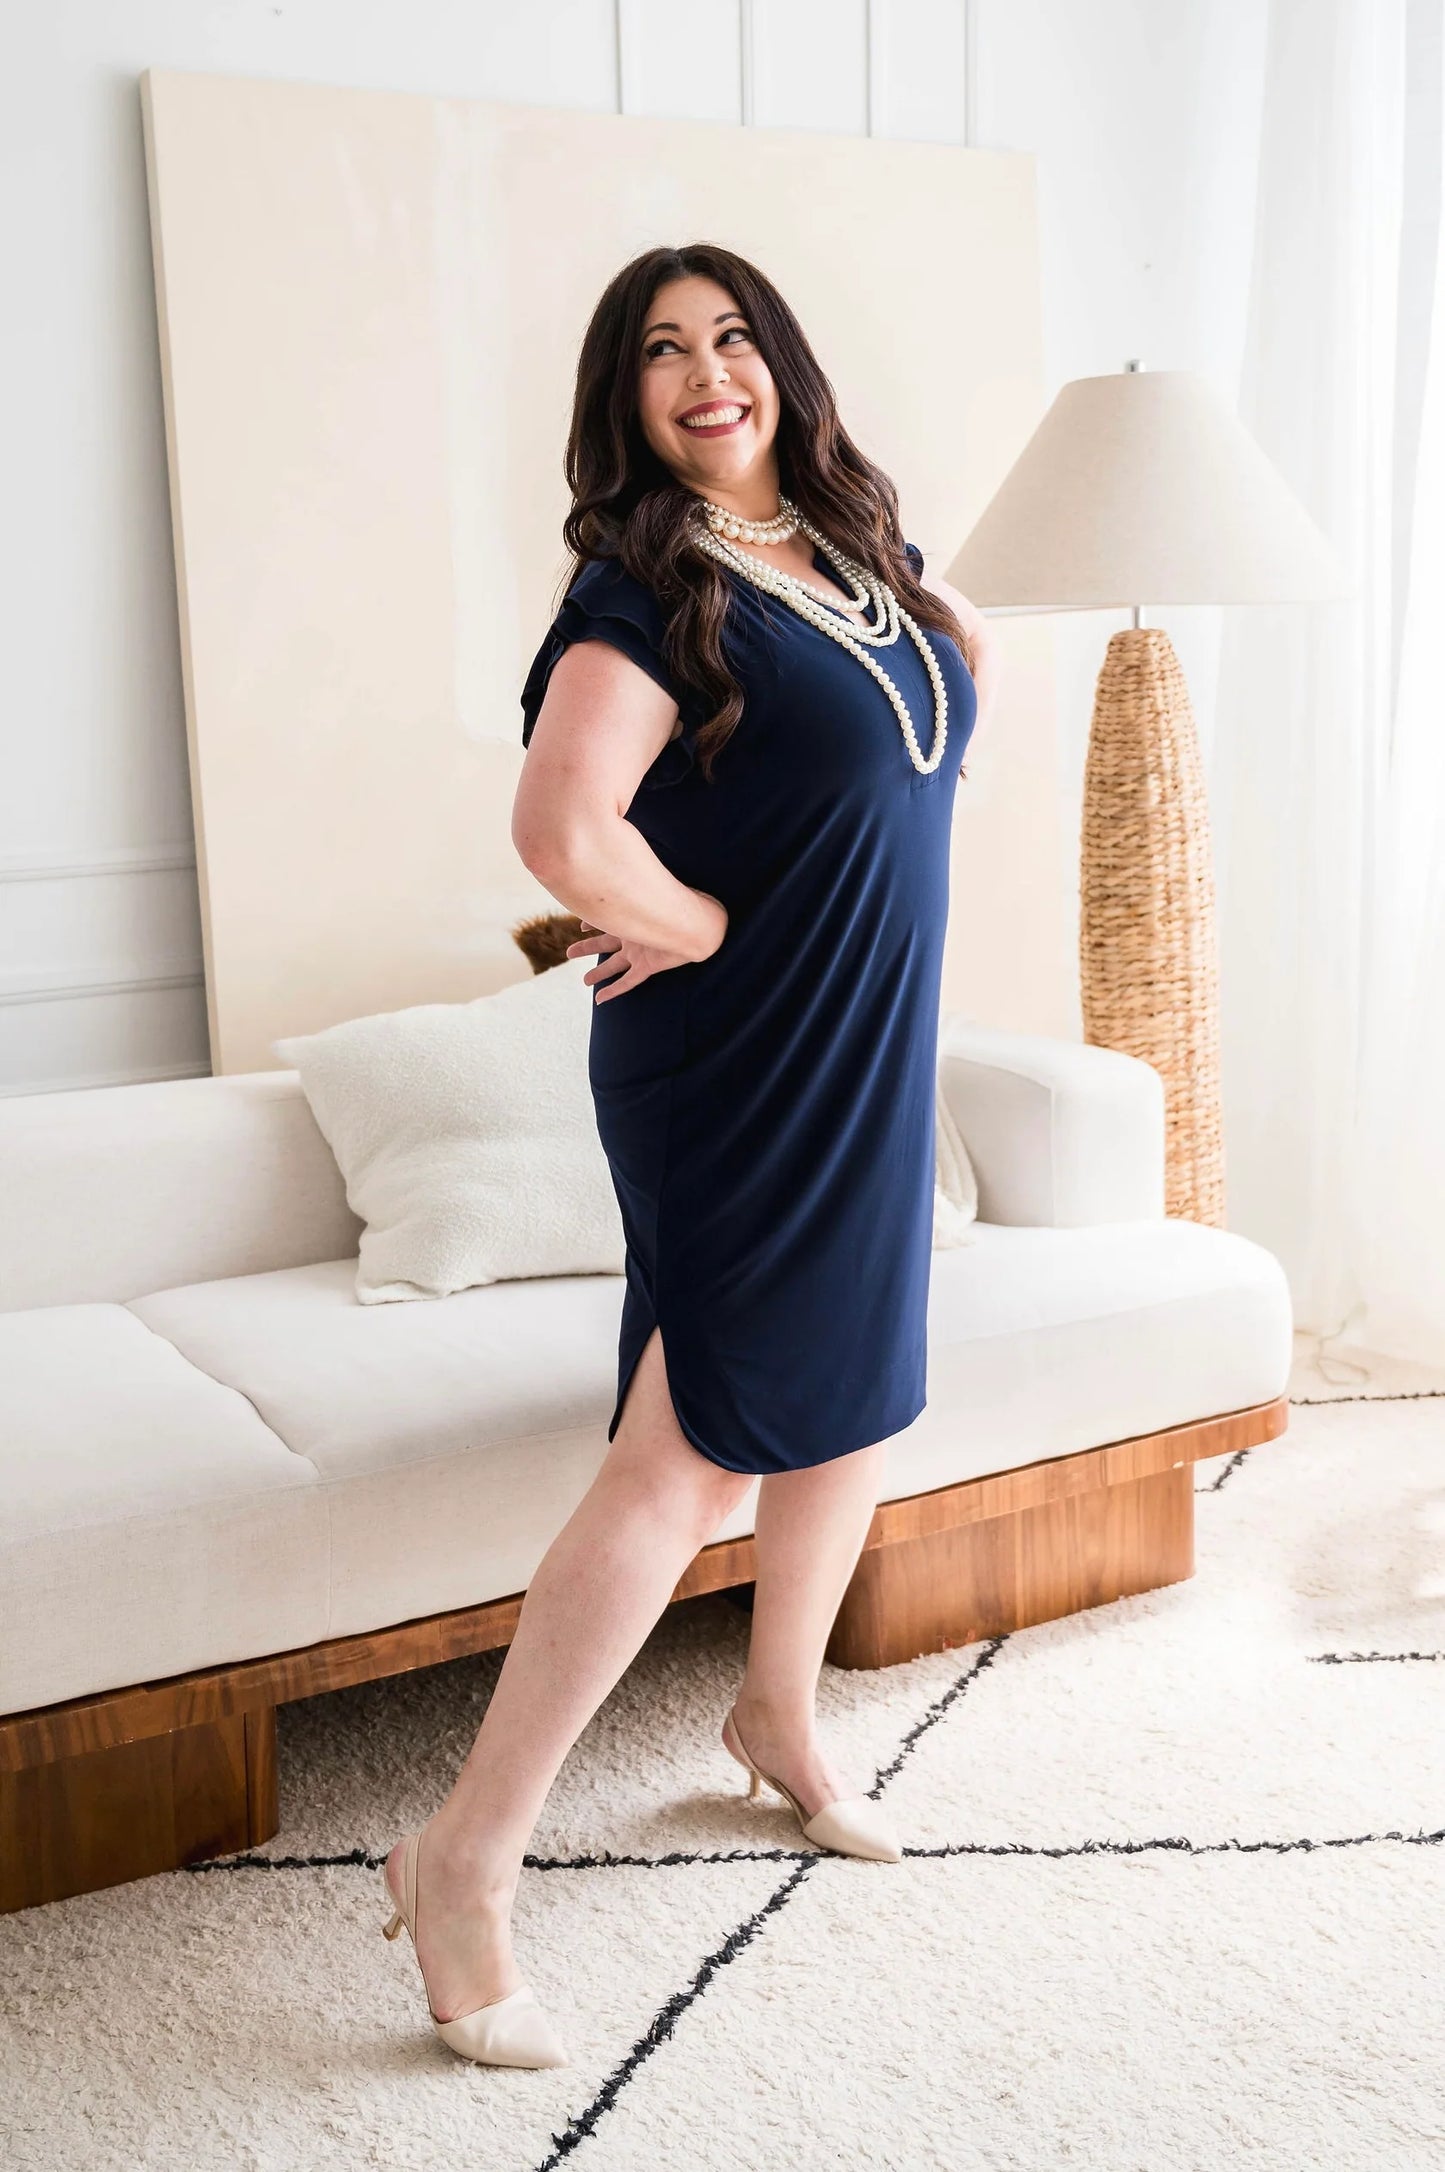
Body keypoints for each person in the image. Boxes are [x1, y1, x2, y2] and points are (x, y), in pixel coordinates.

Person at [379, 241, 998, 2069]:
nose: (706, 371)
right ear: (626, 397)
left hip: (867, 1034)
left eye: (732, 338)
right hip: (731, 1059)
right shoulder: (641, 588)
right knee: (689, 1454)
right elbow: (561, 827)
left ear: (782, 364)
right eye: (662, 350)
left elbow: (929, 713)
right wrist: (710, 925)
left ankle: (778, 1717)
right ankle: (460, 1860)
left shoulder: (858, 555)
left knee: (856, 1386)